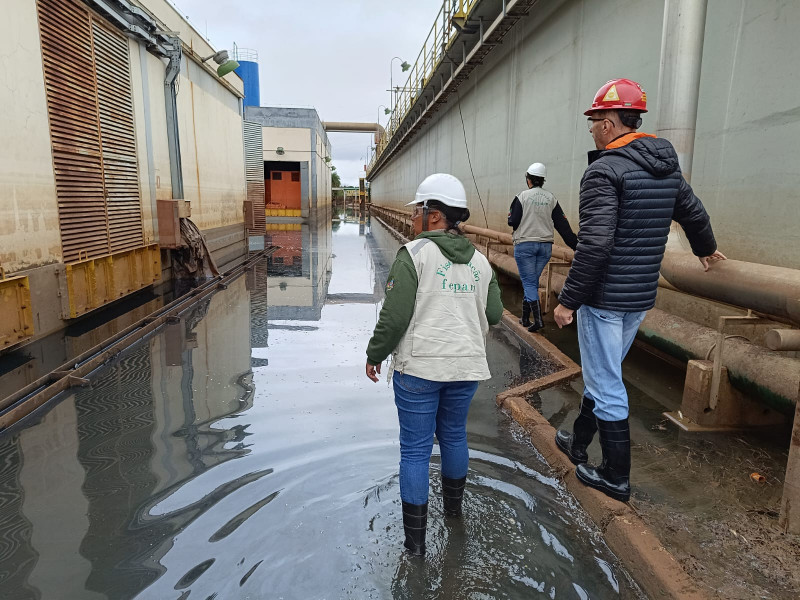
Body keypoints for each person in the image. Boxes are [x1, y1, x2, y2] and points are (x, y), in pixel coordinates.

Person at [552, 78, 726, 502]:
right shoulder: (665, 166)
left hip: (604, 298)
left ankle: (615, 476)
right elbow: (693, 211)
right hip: (639, 296)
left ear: (609, 123)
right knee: (604, 373)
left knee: (607, 383)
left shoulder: (604, 171)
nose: (591, 129)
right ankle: (578, 443)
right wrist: (706, 249)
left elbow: (595, 243)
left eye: (594, 121)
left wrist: (568, 300)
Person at [365, 173, 503, 556]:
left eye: (416, 212)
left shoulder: (414, 255)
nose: (412, 219)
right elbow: (494, 313)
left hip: (419, 370)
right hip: (466, 368)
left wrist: (374, 354)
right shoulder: (481, 262)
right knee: (454, 436)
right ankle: (453, 516)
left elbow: (394, 317)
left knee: (415, 451)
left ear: (435, 215)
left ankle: (415, 547)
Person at [508, 162, 577, 331]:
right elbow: (563, 226)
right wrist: (577, 246)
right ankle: (525, 318)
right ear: (543, 180)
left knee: (529, 283)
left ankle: (538, 321)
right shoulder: (551, 198)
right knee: (531, 282)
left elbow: (512, 221)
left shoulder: (521, 197)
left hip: (525, 246)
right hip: (545, 247)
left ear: (528, 179)